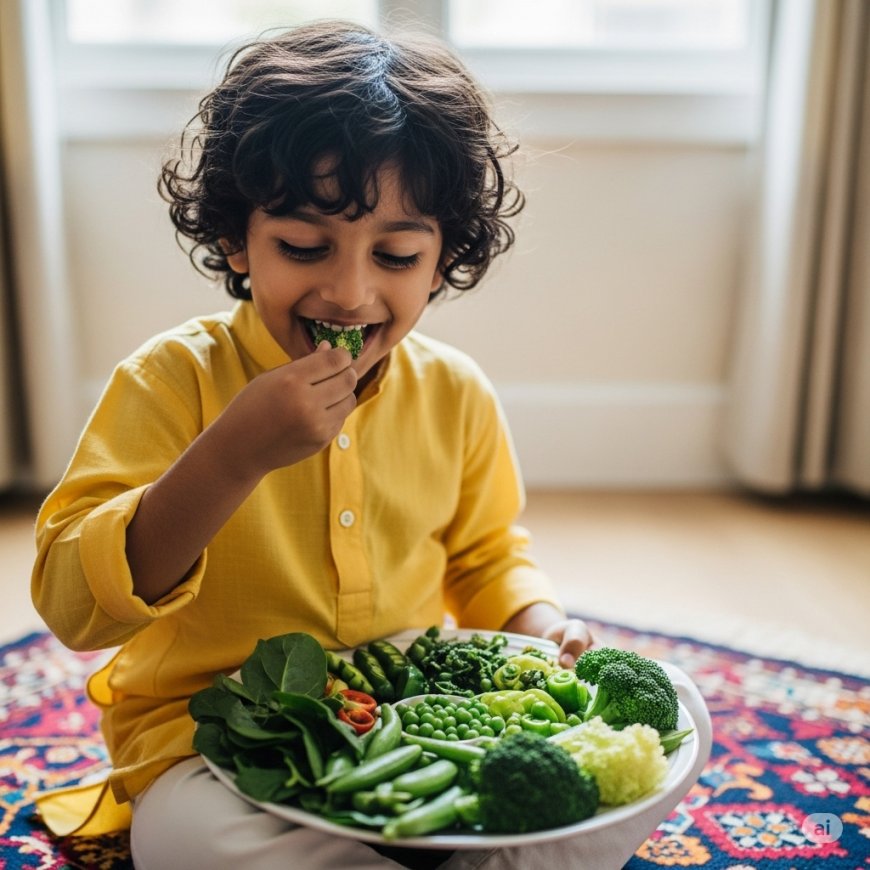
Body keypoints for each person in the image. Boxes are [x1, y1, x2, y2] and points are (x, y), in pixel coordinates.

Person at [31, 20, 710, 869]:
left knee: (675, 708)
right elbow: (71, 607)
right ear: (238, 239)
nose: (350, 292)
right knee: (190, 839)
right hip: (213, 736)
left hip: (414, 717)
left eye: (395, 254)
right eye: (304, 247)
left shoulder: (455, 391)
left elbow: (485, 553)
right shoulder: (170, 381)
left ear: (442, 260)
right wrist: (230, 455)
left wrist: (545, 626)